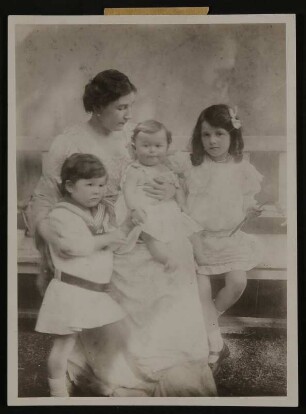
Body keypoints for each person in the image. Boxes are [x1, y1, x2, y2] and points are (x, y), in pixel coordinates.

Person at [27, 70, 216, 396]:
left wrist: (166, 186)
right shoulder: (69, 142)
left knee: (177, 255)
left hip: (138, 222)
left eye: (130, 106)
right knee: (131, 268)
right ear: (98, 106)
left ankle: (173, 360)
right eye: (120, 107)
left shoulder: (132, 135)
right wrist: (56, 239)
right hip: (100, 229)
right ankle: (127, 370)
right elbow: (45, 200)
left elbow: (161, 168)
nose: (128, 115)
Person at [35, 154, 127, 397]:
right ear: (69, 186)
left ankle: (97, 380)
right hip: (71, 291)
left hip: (95, 291)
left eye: (100, 185)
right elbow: (73, 247)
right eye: (89, 185)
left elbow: (114, 243)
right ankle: (57, 391)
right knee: (64, 344)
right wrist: (108, 239)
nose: (97, 191)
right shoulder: (61, 215)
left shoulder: (101, 212)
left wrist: (128, 229)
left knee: (113, 335)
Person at [184, 104, 263, 374]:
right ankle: (215, 343)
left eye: (219, 134)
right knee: (200, 288)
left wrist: (250, 210)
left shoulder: (241, 167)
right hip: (197, 237)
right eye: (206, 135)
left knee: (237, 281)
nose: (212, 141)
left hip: (230, 238)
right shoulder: (192, 167)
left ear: (232, 136)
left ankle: (205, 324)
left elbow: (246, 201)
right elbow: (181, 203)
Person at [115, 120, 200, 272]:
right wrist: (134, 209)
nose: (152, 150)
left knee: (189, 227)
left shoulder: (165, 168)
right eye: (146, 146)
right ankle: (164, 257)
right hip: (144, 210)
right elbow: (128, 191)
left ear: (167, 147)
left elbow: (176, 187)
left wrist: (182, 204)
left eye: (158, 146)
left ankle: (200, 256)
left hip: (164, 210)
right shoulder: (135, 169)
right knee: (148, 233)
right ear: (135, 147)